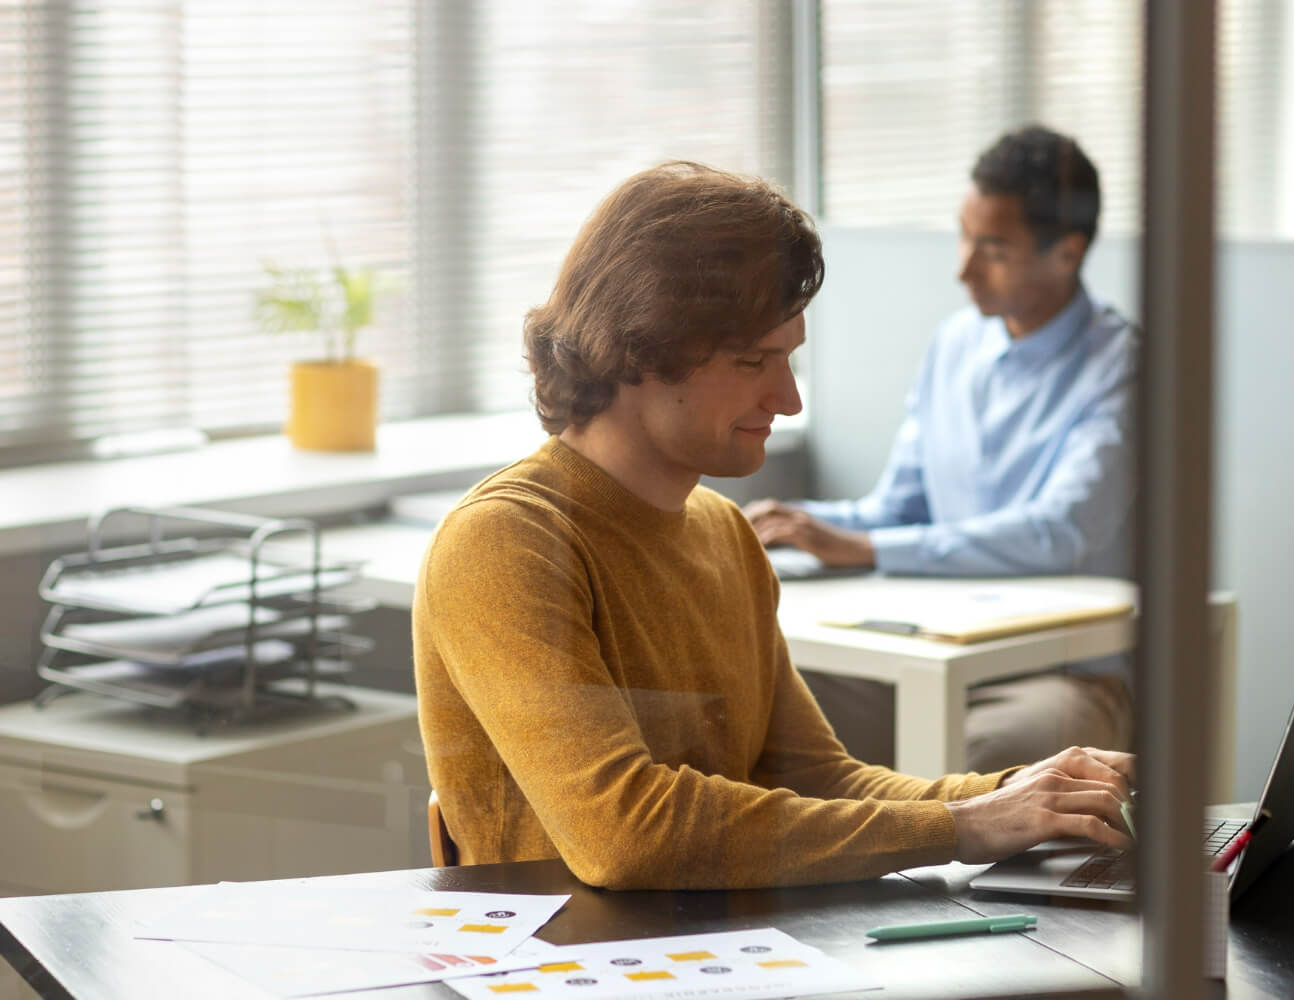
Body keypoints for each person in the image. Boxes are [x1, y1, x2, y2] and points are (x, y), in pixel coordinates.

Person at [412, 160, 1133, 891]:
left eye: (788, 358)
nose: (788, 399)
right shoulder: (503, 544)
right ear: (638, 347)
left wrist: (1019, 797)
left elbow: (819, 780)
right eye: (754, 360)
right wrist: (964, 825)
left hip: (718, 941)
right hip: (571, 950)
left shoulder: (722, 532)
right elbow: (624, 833)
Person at [746, 126, 1139, 773]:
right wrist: (793, 524)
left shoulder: (1122, 365)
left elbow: (1061, 532)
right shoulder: (956, 344)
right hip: (929, 650)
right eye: (964, 236)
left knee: (992, 757)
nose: (963, 268)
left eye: (993, 249)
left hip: (1055, 671)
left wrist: (867, 548)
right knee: (759, 705)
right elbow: (898, 509)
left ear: (1068, 253)